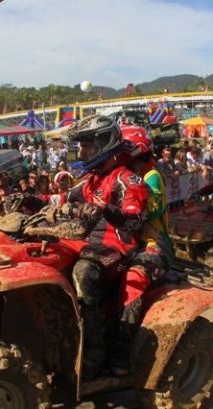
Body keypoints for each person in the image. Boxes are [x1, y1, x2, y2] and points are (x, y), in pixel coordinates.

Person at [61, 115, 148, 379]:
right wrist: (30, 199)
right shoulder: (90, 178)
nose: (82, 152)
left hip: (117, 245)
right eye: (81, 147)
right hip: (85, 241)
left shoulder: (126, 179)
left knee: (83, 272)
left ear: (103, 143)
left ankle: (93, 354)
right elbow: (61, 198)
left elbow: (135, 218)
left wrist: (105, 209)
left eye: (86, 146)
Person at [112, 125, 173, 375]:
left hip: (153, 242)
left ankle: (122, 348)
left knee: (133, 279)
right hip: (129, 241)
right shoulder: (122, 174)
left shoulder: (151, 175)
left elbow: (152, 208)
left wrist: (120, 207)